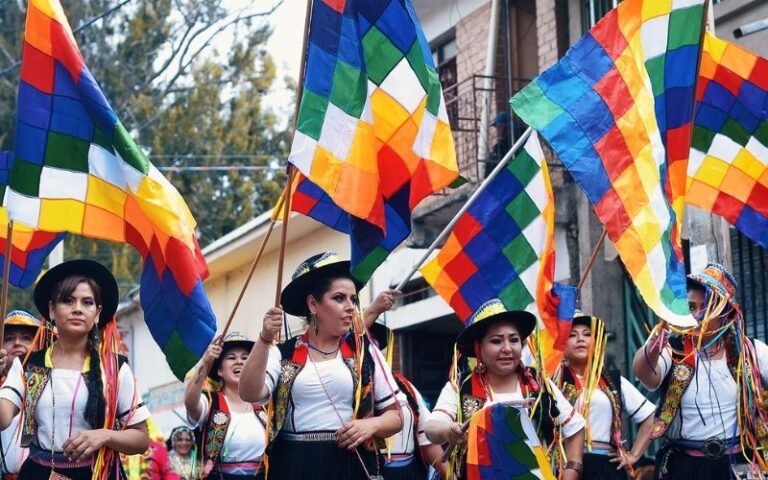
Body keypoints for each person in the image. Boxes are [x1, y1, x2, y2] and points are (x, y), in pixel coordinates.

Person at [239, 251, 404, 480]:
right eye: (339, 298)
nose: (350, 307)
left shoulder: (364, 352)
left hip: (351, 464)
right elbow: (249, 393)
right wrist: (264, 339)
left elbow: (396, 416)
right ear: (313, 304)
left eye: (353, 299)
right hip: (294, 466)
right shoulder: (282, 354)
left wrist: (371, 425)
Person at [0, 259, 150, 480]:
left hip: (97, 474)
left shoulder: (115, 369)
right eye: (68, 301)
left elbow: (141, 439)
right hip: (39, 473)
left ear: (97, 313)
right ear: (52, 309)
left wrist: (105, 436)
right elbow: (3, 418)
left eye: (87, 302)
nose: (77, 309)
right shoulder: (27, 365)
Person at [632, 263, 768, 479]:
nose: (695, 315)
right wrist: (652, 348)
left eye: (703, 307)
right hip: (686, 465)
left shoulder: (750, 351)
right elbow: (646, 375)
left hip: (740, 462)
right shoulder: (673, 350)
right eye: (691, 307)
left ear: (723, 311)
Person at [424, 299, 586, 480]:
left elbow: (576, 427)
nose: (507, 349)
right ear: (479, 347)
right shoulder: (461, 386)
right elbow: (431, 427)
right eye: (496, 341)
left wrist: (572, 469)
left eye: (514, 340)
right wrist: (449, 430)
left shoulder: (538, 382)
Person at [556, 314, 655, 479]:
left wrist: (634, 455)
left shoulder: (613, 381)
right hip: (564, 465)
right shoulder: (553, 381)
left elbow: (651, 417)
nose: (580, 339)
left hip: (604, 467)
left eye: (587, 334)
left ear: (596, 343)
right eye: (572, 335)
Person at [365, 291, 448, 479]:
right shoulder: (345, 391)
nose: (370, 351)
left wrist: (449, 474)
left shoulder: (405, 387)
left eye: (374, 344)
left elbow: (426, 438)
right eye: (365, 344)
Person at [184, 332, 266, 480]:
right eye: (231, 357)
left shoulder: (265, 405)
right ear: (220, 370)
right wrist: (205, 362)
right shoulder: (210, 403)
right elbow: (190, 403)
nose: (239, 362)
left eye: (245, 358)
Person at [0, 310, 45, 478]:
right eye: (9, 338)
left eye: (26, 338)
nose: (17, 343)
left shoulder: (52, 384)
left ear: (41, 345)